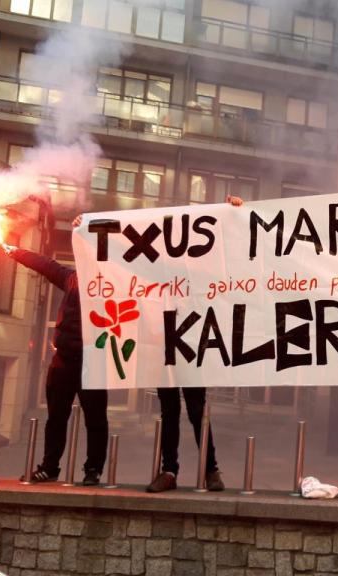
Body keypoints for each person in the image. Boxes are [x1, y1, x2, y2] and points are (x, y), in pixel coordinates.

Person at [147, 195, 244, 493]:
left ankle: (210, 469)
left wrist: (234, 215)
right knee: (169, 411)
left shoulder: (202, 265)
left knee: (196, 409)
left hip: (193, 342)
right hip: (163, 344)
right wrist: (85, 227)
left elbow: (231, 253)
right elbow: (118, 251)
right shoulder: (156, 263)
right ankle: (169, 470)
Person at [3, 229, 107, 486]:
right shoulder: (71, 278)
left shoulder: (114, 286)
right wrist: (16, 252)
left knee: (95, 420)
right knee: (56, 417)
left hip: (94, 362)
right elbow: (45, 264)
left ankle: (93, 469)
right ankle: (50, 467)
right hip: (64, 361)